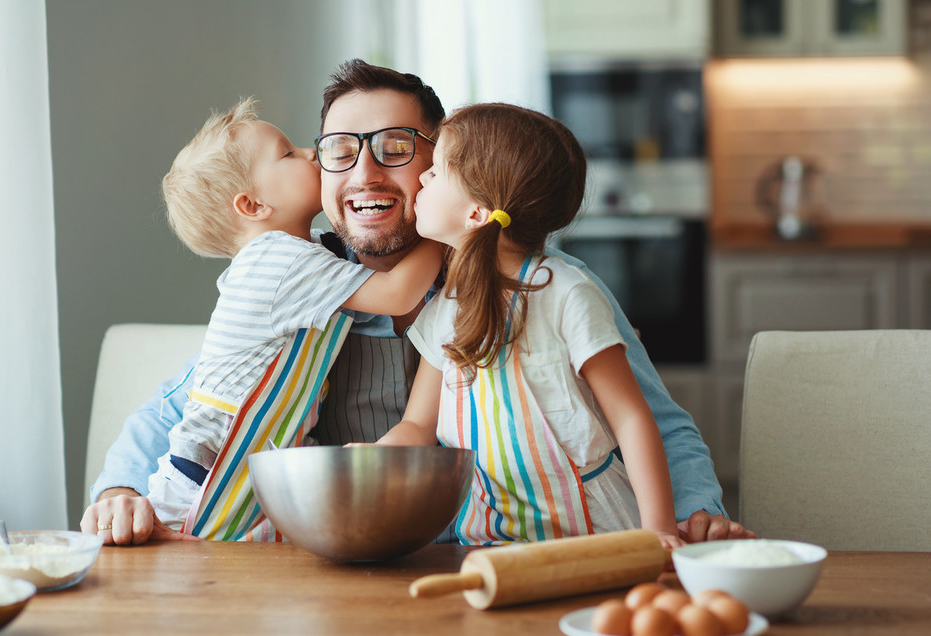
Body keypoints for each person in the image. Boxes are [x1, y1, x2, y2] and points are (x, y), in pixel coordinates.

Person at [81, 59, 754, 546]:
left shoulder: (550, 288)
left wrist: (693, 514)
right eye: (340, 152)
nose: (366, 173)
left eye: (398, 149)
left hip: (513, 555)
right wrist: (118, 492)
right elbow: (187, 406)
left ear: (453, 170)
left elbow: (656, 423)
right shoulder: (308, 290)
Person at [373, 103, 683, 549]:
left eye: (436, 170)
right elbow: (418, 427)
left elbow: (632, 417)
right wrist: (373, 459)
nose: (422, 177)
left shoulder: (566, 293)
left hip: (596, 536)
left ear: (477, 213)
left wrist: (659, 532)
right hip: (488, 540)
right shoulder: (445, 308)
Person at [143, 96, 441, 540]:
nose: (309, 152)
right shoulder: (276, 259)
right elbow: (399, 294)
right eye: (287, 153)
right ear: (253, 205)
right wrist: (449, 228)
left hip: (259, 455)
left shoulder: (307, 256)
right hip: (210, 465)